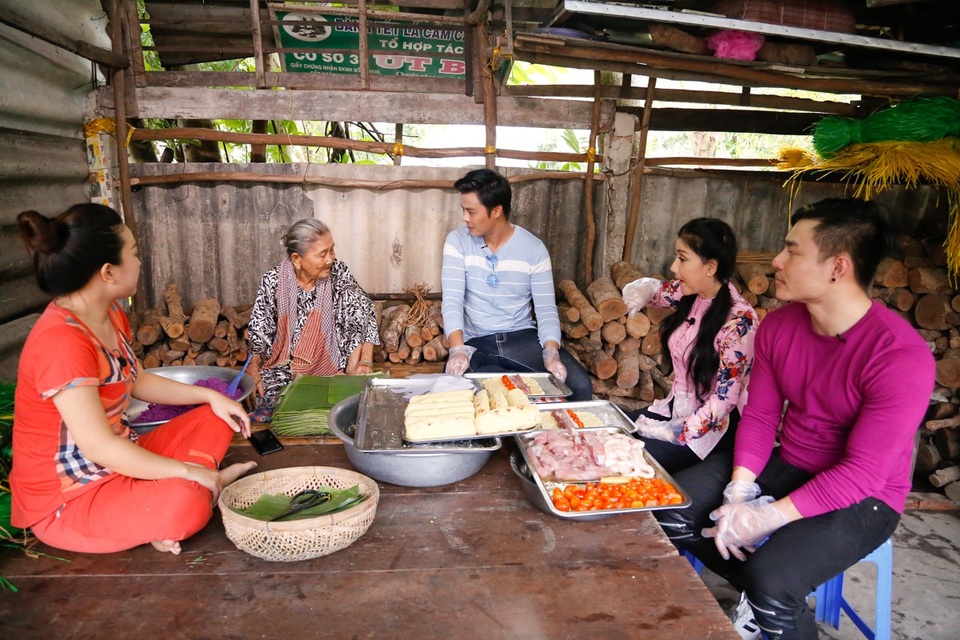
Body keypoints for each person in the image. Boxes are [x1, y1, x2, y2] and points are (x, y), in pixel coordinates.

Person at [654, 198, 935, 640]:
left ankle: (767, 595)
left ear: (837, 268)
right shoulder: (780, 327)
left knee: (773, 583)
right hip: (789, 461)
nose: (776, 261)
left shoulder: (900, 356)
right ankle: (758, 593)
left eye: (792, 250)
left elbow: (862, 472)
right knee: (669, 510)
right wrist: (740, 488)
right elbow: (762, 417)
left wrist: (767, 518)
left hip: (868, 495)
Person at [12, 204, 256, 555]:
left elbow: (137, 380)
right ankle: (193, 491)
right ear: (109, 272)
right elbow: (100, 448)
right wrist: (187, 473)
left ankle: (196, 488)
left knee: (217, 417)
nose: (140, 262)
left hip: (126, 460)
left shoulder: (109, 313)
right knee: (183, 505)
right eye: (135, 253)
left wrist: (209, 398)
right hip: (72, 498)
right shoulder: (62, 343)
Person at [441, 168, 592, 401]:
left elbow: (545, 309)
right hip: (475, 342)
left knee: (579, 387)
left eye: (471, 211)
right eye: (463, 210)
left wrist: (551, 351)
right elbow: (452, 300)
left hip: (521, 338)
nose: (465, 218)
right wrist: (457, 349)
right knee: (466, 393)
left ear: (496, 210)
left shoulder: (533, 249)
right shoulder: (457, 242)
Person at [621, 218, 758, 474]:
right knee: (612, 430)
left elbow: (724, 401)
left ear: (710, 267)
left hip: (713, 427)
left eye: (682, 259)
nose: (674, 267)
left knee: (628, 459)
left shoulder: (739, 322)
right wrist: (642, 289)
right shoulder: (690, 293)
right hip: (676, 407)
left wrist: (677, 431)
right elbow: (657, 292)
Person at [247, 218, 379, 420]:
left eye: (332, 250)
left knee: (355, 298)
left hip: (335, 361)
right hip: (285, 367)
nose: (330, 259)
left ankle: (352, 373)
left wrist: (365, 361)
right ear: (297, 259)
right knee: (268, 402)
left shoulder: (338, 272)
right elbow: (260, 330)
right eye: (322, 254)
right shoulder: (273, 281)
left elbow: (365, 311)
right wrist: (253, 367)